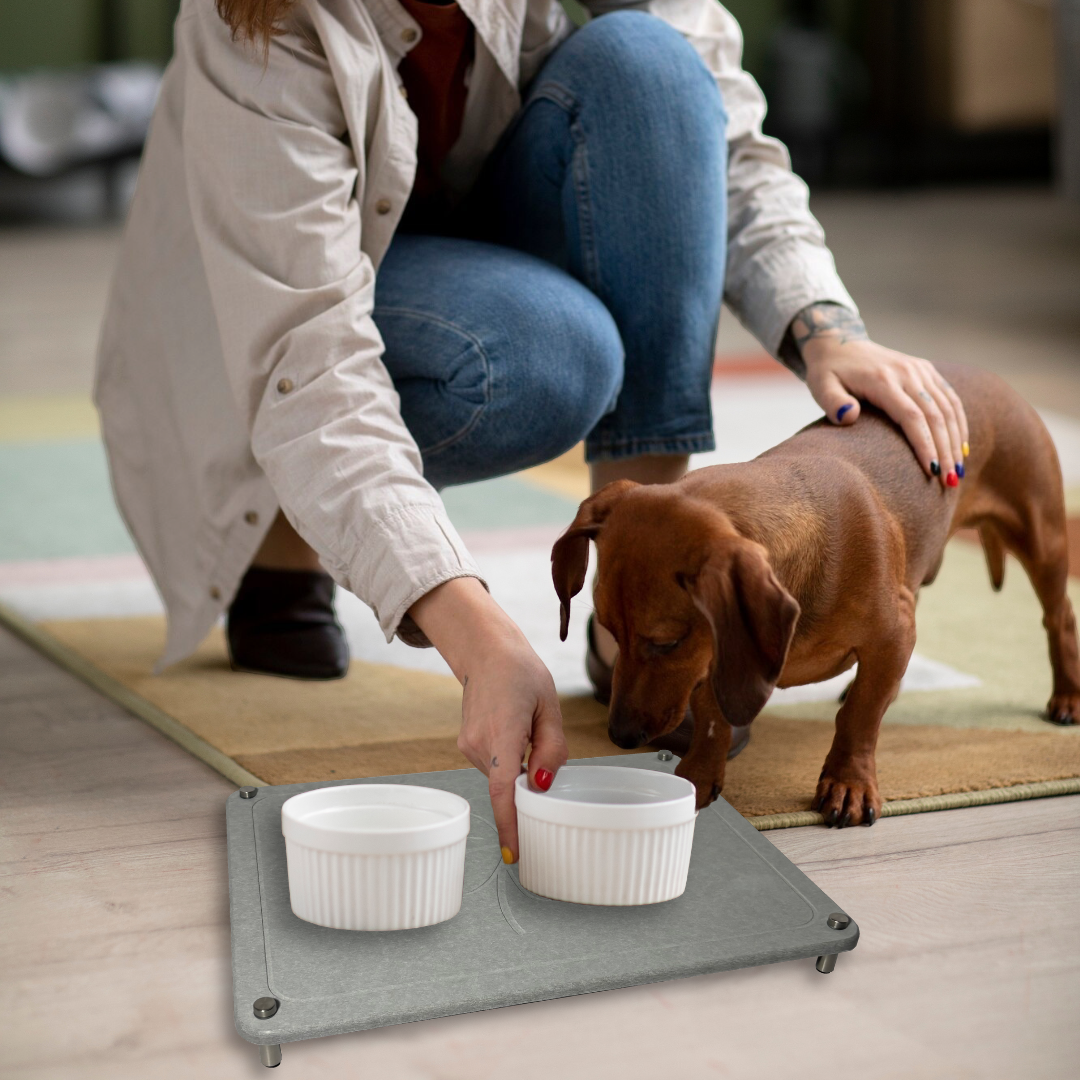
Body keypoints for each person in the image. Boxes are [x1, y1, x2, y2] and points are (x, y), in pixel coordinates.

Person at [96, 0, 969, 863]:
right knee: (551, 358)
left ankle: (629, 608)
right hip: (282, 305)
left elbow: (717, 133)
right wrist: (477, 639)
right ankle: (283, 540)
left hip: (493, 229)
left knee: (653, 64)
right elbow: (307, 356)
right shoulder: (250, 27)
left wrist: (823, 324)